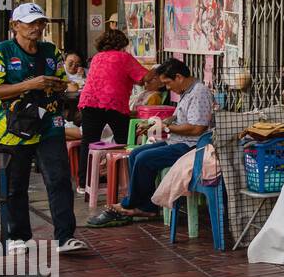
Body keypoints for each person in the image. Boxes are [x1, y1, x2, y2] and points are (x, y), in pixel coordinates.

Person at [0, 3, 88, 254]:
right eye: (30, 23)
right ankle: (18, 236)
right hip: (14, 126)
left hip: (49, 123)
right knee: (16, 183)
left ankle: (65, 237)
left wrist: (55, 85)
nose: (36, 28)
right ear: (15, 25)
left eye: (40, 22)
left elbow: (64, 83)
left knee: (60, 179)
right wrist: (32, 84)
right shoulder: (1, 52)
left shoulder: (51, 51)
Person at [86, 58, 213, 227]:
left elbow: (197, 128)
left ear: (179, 77)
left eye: (168, 83)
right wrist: (159, 123)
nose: (168, 88)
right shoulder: (187, 91)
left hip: (191, 146)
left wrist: (167, 128)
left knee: (144, 158)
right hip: (179, 141)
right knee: (136, 153)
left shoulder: (199, 93)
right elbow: (180, 116)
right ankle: (146, 205)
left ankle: (129, 205)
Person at [76, 29, 152, 195]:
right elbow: (144, 78)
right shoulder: (124, 57)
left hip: (90, 102)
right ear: (122, 44)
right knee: (125, 140)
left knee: (88, 142)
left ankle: (83, 183)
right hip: (114, 103)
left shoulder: (96, 58)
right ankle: (125, 181)